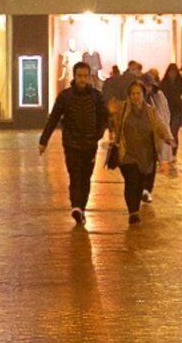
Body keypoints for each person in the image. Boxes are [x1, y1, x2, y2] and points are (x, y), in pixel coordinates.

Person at [39, 61, 111, 224]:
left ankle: (81, 208)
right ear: (74, 76)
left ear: (89, 77)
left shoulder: (96, 96)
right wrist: (44, 140)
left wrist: (98, 134)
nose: (82, 79)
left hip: (90, 144)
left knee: (86, 177)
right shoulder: (65, 96)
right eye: (80, 76)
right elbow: (54, 118)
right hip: (71, 144)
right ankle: (76, 206)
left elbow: (104, 118)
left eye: (85, 76)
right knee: (75, 175)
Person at [111, 71, 173, 217]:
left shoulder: (150, 111)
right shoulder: (123, 109)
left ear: (143, 94)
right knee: (131, 182)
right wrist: (111, 112)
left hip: (146, 153)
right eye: (132, 93)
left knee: (139, 183)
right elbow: (113, 118)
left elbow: (159, 125)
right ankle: (133, 211)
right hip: (127, 154)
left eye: (138, 93)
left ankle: (135, 206)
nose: (135, 96)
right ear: (129, 95)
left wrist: (167, 137)